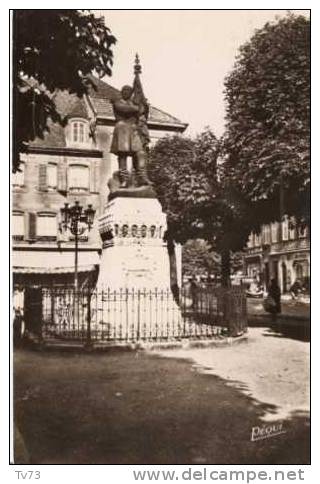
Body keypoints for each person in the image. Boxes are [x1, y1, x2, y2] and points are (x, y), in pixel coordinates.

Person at [110, 85, 151, 188]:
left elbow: (143, 112)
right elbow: (124, 109)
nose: (126, 93)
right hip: (122, 129)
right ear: (122, 92)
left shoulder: (134, 103)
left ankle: (142, 177)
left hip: (133, 130)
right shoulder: (118, 102)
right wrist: (138, 108)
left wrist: (144, 107)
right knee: (122, 155)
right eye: (124, 91)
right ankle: (124, 179)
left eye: (129, 91)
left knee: (140, 153)